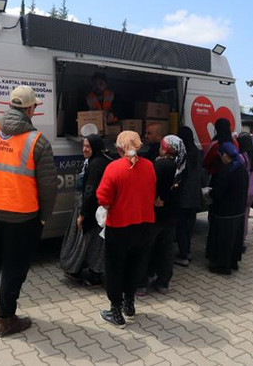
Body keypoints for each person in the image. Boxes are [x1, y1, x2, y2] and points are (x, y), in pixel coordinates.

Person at [0, 85, 58, 337]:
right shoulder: (37, 141)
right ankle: (6, 320)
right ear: (31, 109)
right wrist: (44, 217)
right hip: (22, 217)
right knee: (14, 267)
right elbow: (48, 187)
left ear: (10, 105)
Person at [96, 131, 156, 328]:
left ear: (119, 147)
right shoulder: (149, 166)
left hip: (120, 226)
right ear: (139, 146)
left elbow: (103, 199)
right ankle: (129, 305)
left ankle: (116, 311)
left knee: (115, 269)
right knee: (135, 266)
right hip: (145, 225)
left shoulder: (113, 168)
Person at [60, 134, 111, 286]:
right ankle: (88, 271)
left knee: (88, 242)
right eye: (83, 146)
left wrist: (83, 214)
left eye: (88, 146)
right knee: (90, 243)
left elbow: (91, 190)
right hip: (92, 210)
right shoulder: (93, 161)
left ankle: (89, 273)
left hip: (93, 211)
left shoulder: (96, 164)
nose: (84, 149)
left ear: (95, 147)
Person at [137, 135, 185, 294]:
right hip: (172, 214)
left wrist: (154, 198)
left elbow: (149, 186)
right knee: (166, 248)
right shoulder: (182, 164)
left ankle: (141, 283)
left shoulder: (160, 165)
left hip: (156, 214)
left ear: (165, 148)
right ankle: (163, 282)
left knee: (146, 247)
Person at [205, 142, 248, 275]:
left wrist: (209, 192)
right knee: (235, 239)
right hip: (238, 211)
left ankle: (222, 266)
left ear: (225, 155)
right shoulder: (241, 167)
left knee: (223, 240)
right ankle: (233, 262)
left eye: (220, 155)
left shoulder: (226, 171)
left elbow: (218, 193)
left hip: (224, 212)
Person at [175, 127, 204, 267]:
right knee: (189, 226)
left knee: (181, 226)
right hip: (195, 195)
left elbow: (180, 177)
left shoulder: (182, 154)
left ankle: (184, 255)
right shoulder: (198, 152)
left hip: (184, 196)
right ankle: (188, 251)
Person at [237, 132, 253, 244]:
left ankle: (239, 241)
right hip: (251, 192)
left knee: (240, 217)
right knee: (245, 216)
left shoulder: (242, 157)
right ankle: (243, 238)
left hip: (243, 191)